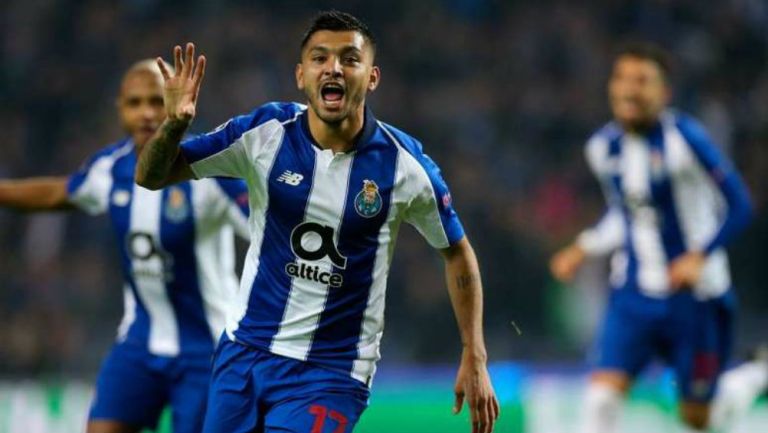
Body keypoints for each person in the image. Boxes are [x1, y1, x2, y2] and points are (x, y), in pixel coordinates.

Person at [135, 10, 500, 433]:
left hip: (331, 372)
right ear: (301, 75)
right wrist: (174, 125)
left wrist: (474, 353)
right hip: (245, 354)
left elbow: (456, 251)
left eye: (349, 59)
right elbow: (150, 175)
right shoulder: (264, 133)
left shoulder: (405, 167)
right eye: (320, 58)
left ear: (373, 76)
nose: (334, 68)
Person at [0, 60, 250, 433]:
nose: (147, 113)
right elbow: (58, 192)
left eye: (156, 101)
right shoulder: (110, 168)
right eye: (135, 103)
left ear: (176, 101)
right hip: (139, 342)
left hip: (208, 349)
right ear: (120, 109)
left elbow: (264, 227)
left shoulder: (207, 169)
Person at [549, 43, 766, 432]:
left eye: (642, 80)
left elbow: (740, 205)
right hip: (634, 295)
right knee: (600, 400)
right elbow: (624, 214)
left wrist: (700, 255)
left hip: (695, 299)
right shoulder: (602, 148)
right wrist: (584, 245)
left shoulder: (688, 140)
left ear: (664, 93)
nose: (629, 89)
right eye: (621, 79)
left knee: (700, 419)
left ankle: (756, 374)